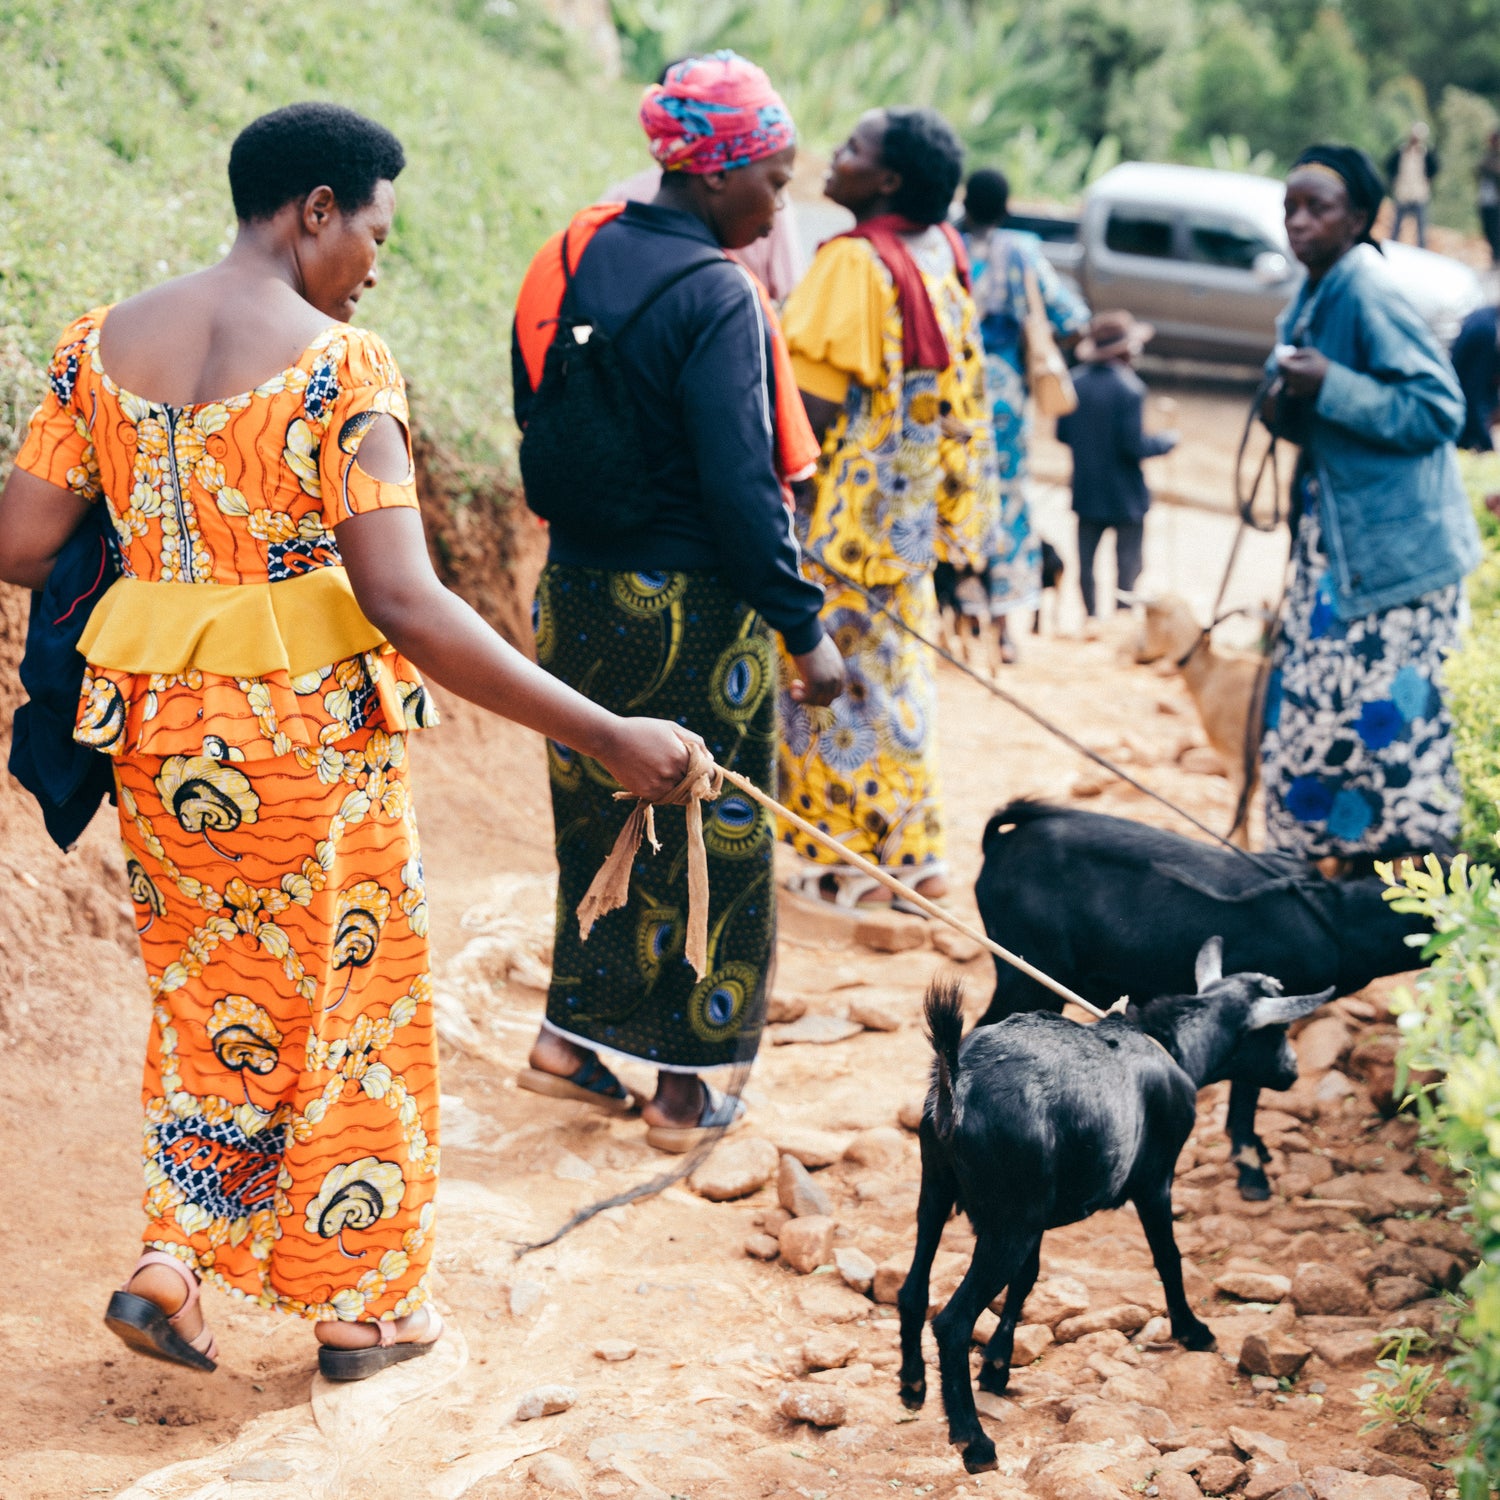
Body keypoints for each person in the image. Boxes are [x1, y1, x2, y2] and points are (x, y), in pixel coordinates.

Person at [0, 102, 699, 1380]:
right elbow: (406, 601)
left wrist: (162, 543)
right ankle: (361, 1313)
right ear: (316, 207)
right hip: (305, 744)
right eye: (372, 231)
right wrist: (604, 732)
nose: (374, 262)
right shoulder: (344, 368)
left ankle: (174, 1265)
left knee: (212, 1005)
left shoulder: (94, 346)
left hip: (158, 743)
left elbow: (18, 545)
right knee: (346, 1013)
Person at [510, 53, 844, 1152]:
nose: (781, 201)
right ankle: (686, 1088)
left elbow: (538, 404)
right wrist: (805, 631)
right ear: (718, 175)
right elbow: (747, 494)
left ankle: (571, 1040)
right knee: (719, 833)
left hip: (576, 597)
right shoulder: (719, 296)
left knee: (597, 814)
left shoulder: (570, 248)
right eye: (775, 179)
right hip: (694, 615)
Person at [776, 107, 1000, 907]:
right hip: (907, 529)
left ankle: (850, 870)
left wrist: (780, 506)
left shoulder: (853, 265)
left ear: (888, 180)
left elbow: (808, 409)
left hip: (841, 526)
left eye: (853, 149)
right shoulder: (942, 257)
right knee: (896, 687)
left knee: (829, 697)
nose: (834, 156)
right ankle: (917, 859)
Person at [1260, 144, 1479, 868]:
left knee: (1386, 732)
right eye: (1289, 206)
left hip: (1395, 562)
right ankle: (1337, 873)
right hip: (1347, 550)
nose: (1297, 222)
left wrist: (1330, 385)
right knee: (1323, 715)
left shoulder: (1365, 288)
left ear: (1358, 217)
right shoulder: (1316, 290)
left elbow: (1440, 407)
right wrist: (1287, 391)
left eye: (1315, 207)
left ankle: (1416, 891)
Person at [960, 167, 1089, 660]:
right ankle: (1006, 625)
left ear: (966, 203)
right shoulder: (1022, 251)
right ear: (1006, 204)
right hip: (1008, 399)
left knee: (960, 497)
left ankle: (965, 608)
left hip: (956, 396)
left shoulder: (943, 245)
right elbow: (1071, 317)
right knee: (1008, 502)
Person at [1055, 310, 1177, 631]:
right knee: (1128, 565)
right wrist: (1166, 442)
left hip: (1087, 489)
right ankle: (1121, 621)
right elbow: (1133, 446)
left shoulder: (1074, 383)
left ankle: (1091, 618)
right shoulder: (1130, 389)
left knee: (1087, 563)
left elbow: (1062, 433)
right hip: (1125, 496)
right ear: (1125, 351)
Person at [1452, 300, 1500, 451]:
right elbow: (1473, 393)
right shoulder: (1486, 330)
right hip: (1463, 421)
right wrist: (1487, 446)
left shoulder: (1487, 317)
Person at [1385, 122, 1439, 248]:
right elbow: (1389, 166)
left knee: (1421, 227)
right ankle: (1392, 247)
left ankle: (1422, 250)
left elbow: (1434, 169)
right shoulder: (1401, 151)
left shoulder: (1425, 154)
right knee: (1397, 225)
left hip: (1418, 193)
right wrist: (1394, 180)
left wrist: (1428, 180)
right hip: (1403, 192)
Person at [1477, 129, 1500, 265]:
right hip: (1486, 198)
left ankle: (1497, 257)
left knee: (1496, 229)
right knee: (1488, 228)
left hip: (1496, 199)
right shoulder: (1488, 157)